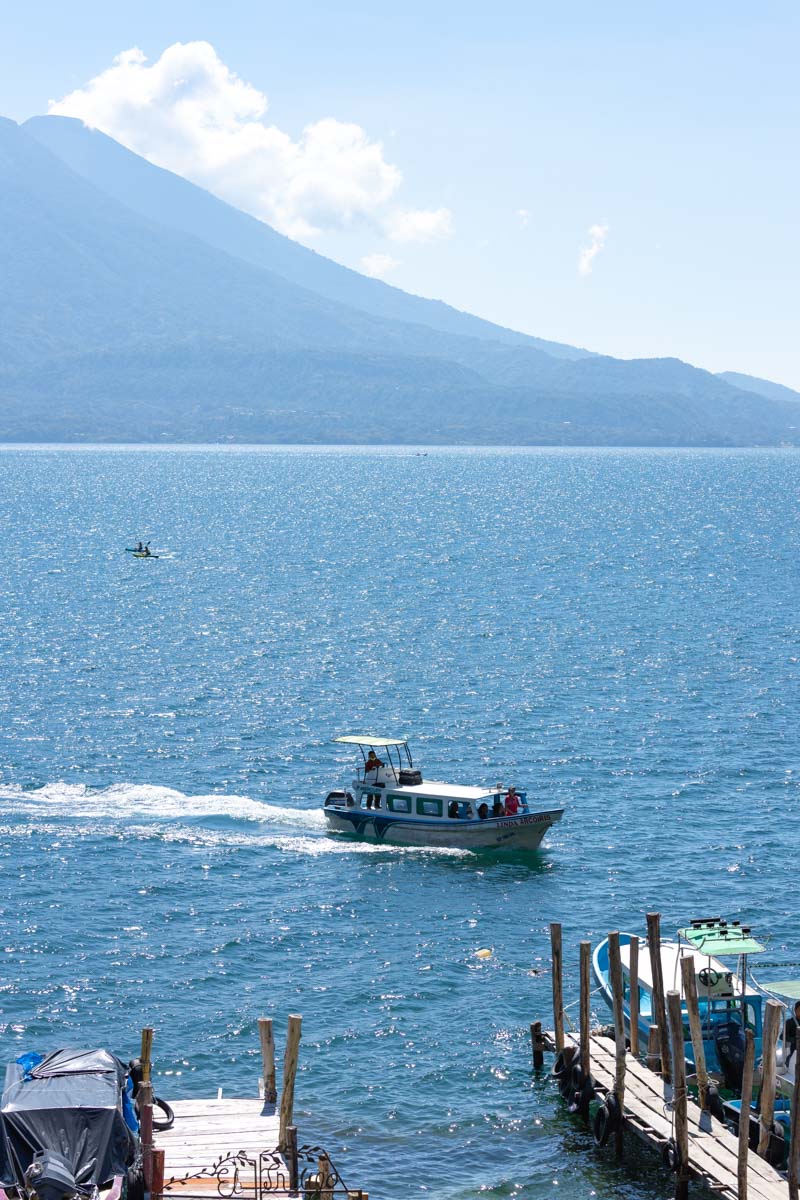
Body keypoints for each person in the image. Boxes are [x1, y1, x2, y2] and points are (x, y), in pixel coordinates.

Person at [785, 1000, 800, 1067]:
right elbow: (782, 1036)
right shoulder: (790, 1022)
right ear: (795, 1010)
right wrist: (795, 1040)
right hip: (795, 1049)